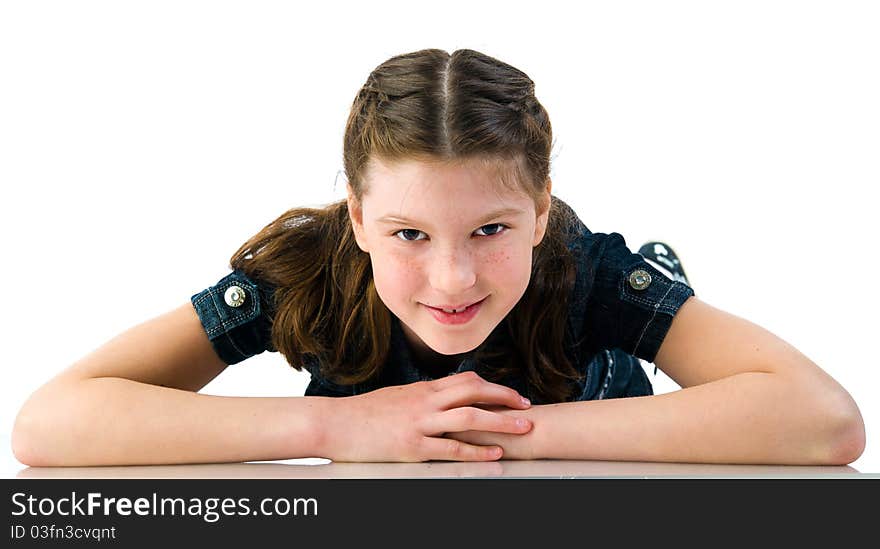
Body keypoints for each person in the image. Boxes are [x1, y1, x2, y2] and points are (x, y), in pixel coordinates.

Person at [12, 48, 865, 467]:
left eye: (490, 231)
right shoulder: (307, 273)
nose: (452, 278)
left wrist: (513, 435)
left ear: (537, 214)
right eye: (409, 234)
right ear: (357, 217)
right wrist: (336, 423)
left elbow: (824, 420)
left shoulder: (587, 268)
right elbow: (48, 426)